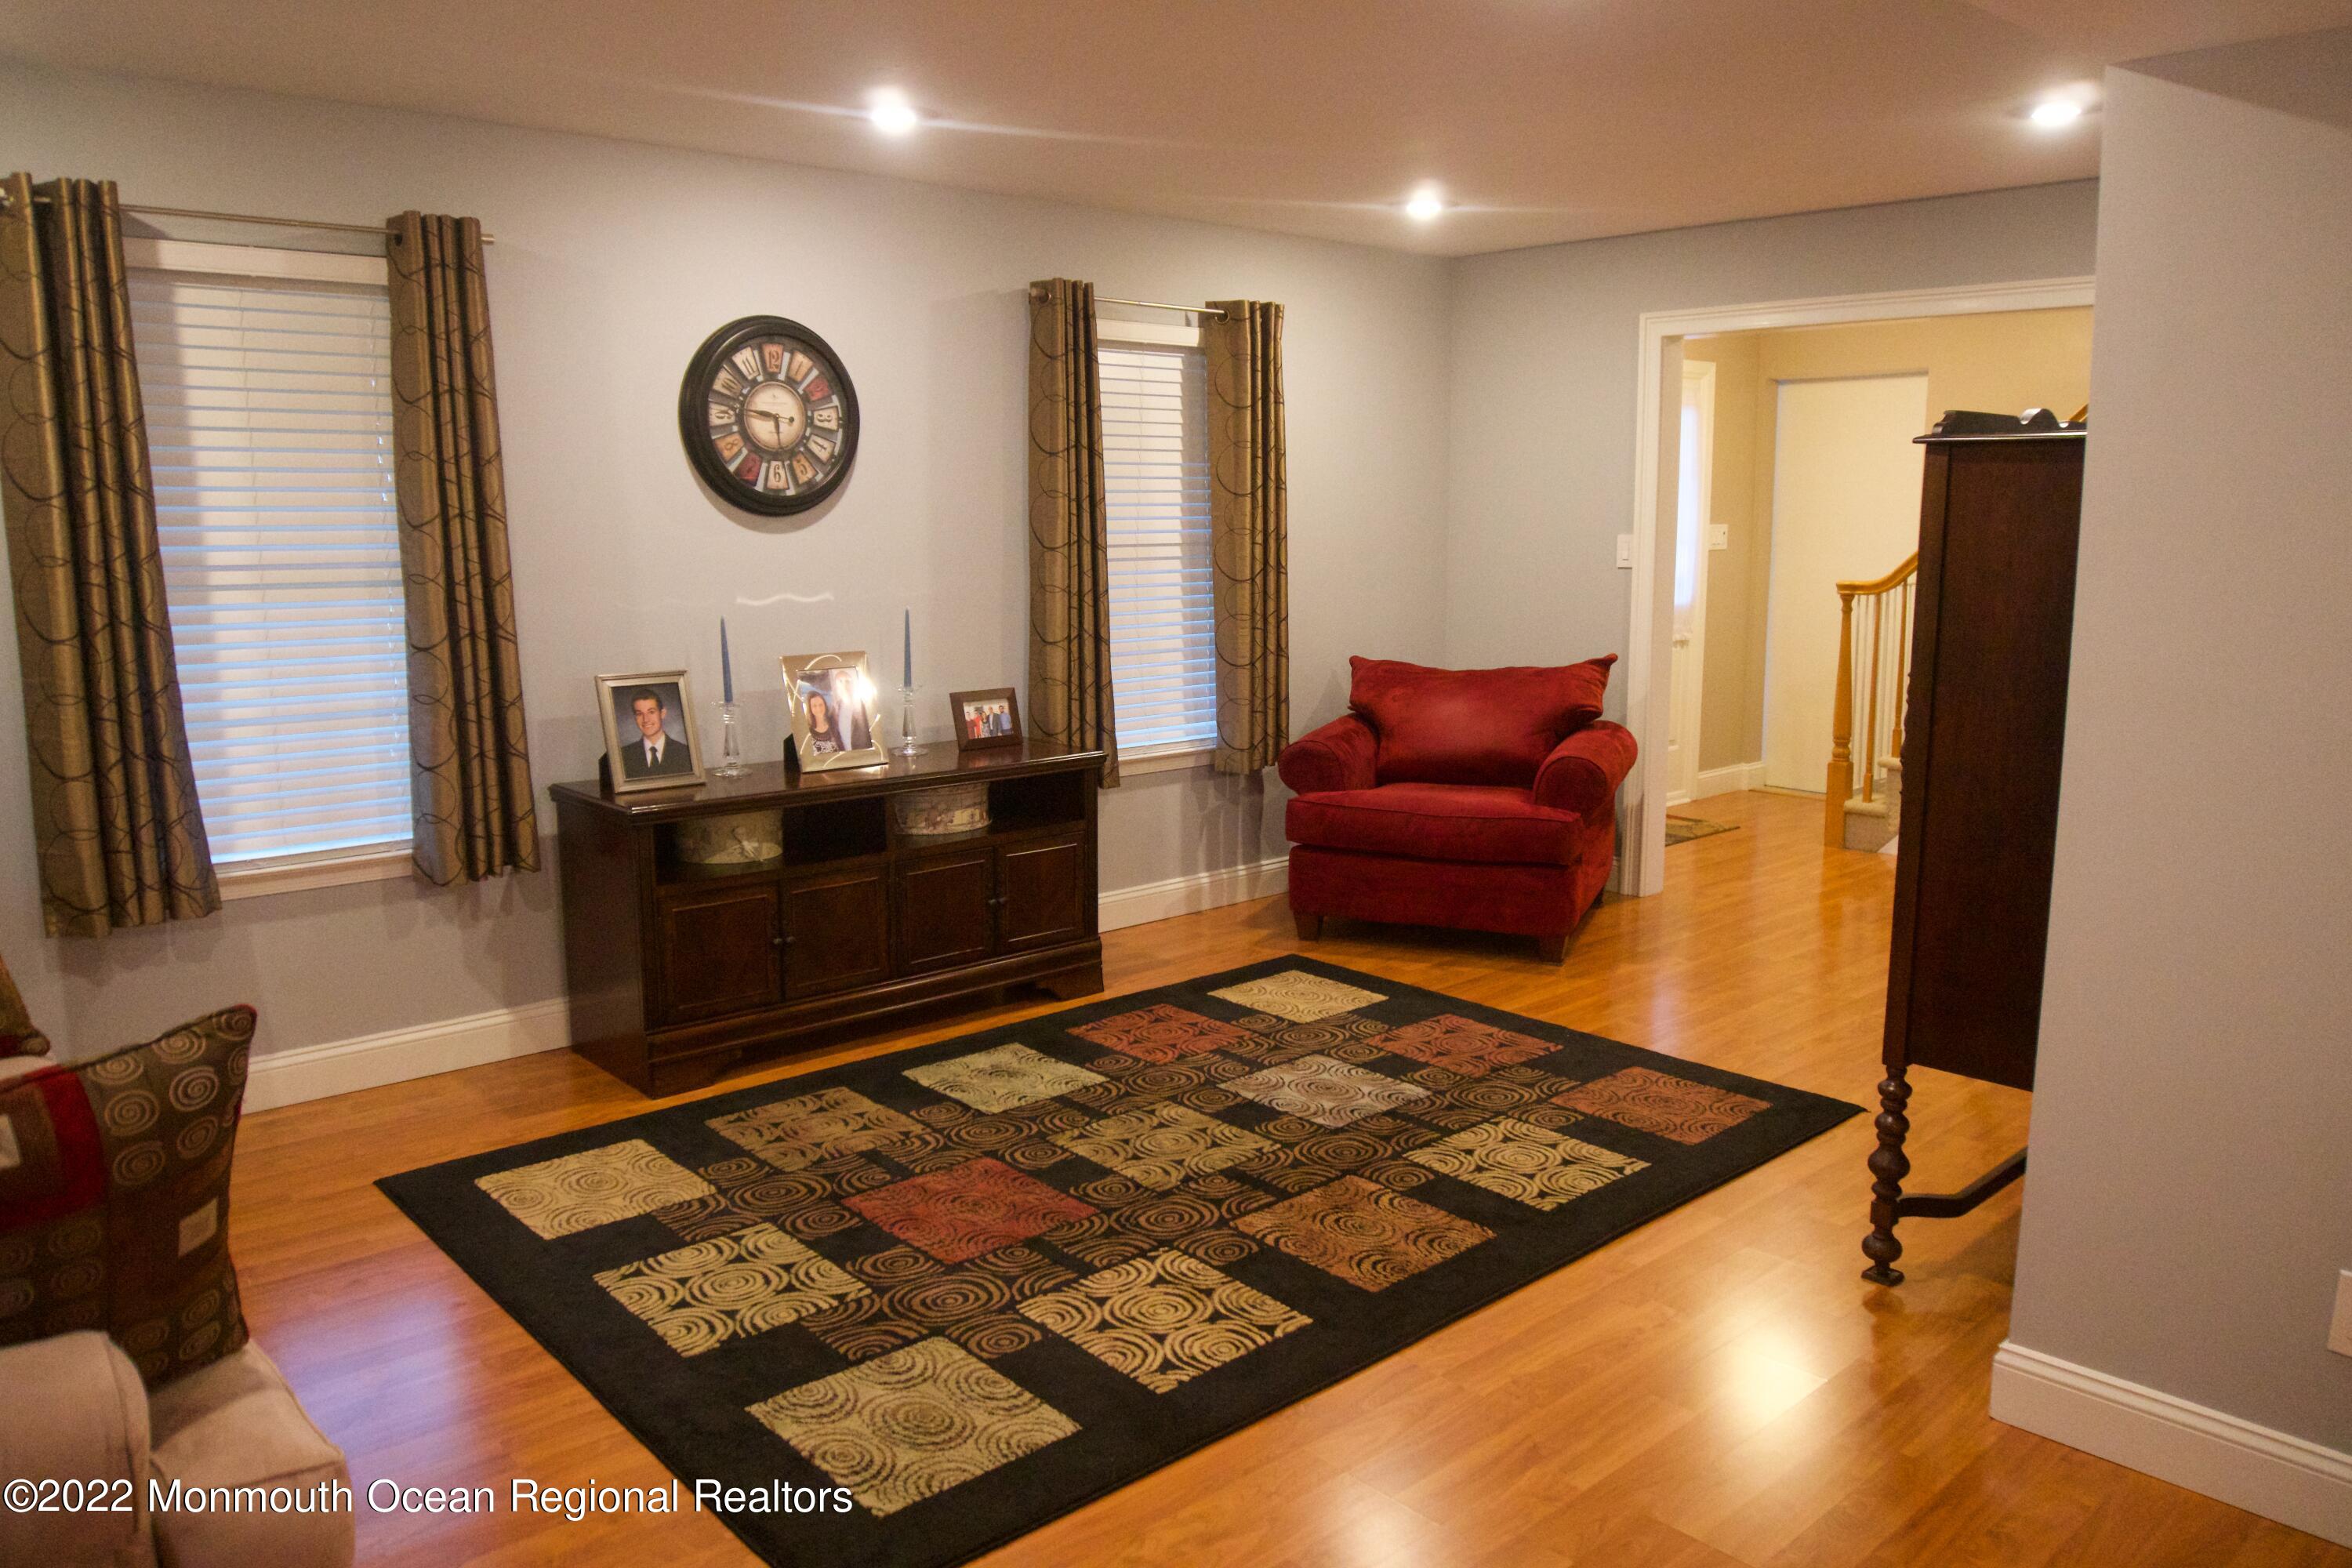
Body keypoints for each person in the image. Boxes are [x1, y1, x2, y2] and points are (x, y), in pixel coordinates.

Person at [618, 687, 693, 778]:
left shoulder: (685, 753)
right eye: (639, 714)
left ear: (662, 713)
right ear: (635, 717)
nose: (645, 719)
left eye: (651, 712)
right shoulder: (623, 756)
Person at [803, 688, 844, 754]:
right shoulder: (806, 731)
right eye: (814, 706)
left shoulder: (834, 725)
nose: (818, 708)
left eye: (821, 705)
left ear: (825, 705)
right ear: (810, 708)